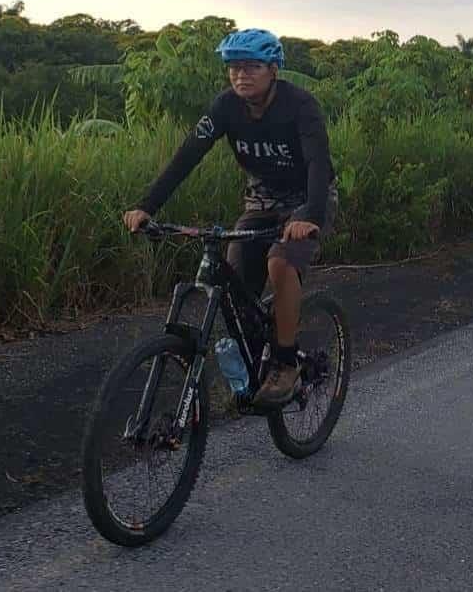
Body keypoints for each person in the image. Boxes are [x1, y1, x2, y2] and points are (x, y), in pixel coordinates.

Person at [122, 28, 337, 407]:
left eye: (252, 67)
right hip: (260, 204)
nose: (241, 75)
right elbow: (187, 156)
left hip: (307, 202)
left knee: (281, 263)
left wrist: (310, 215)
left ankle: (286, 363)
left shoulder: (300, 105)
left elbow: (319, 164)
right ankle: (256, 363)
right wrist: (147, 206)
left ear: (273, 70)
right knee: (236, 288)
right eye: (234, 68)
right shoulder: (225, 107)